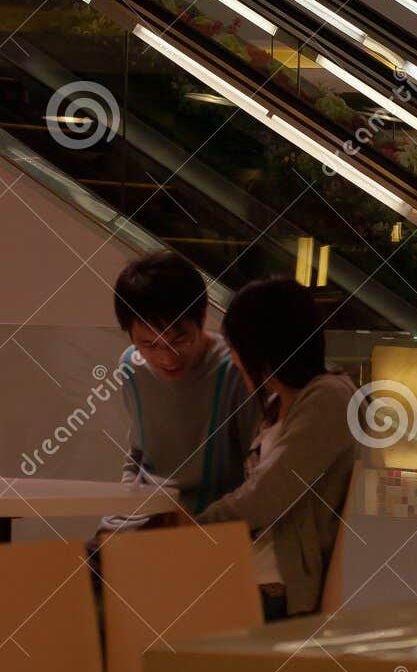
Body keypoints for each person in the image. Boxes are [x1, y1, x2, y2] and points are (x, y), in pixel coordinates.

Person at [192, 279, 357, 621]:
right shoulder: (279, 403)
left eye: (236, 347)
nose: (234, 358)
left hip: (274, 588)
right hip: (252, 575)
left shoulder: (329, 397)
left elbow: (269, 492)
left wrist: (193, 528)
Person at [101, 251, 258, 538]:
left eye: (180, 340)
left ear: (202, 315)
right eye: (148, 345)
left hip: (209, 523)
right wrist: (128, 502)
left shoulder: (233, 369)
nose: (167, 359)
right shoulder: (131, 367)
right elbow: (138, 454)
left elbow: (254, 470)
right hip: (145, 515)